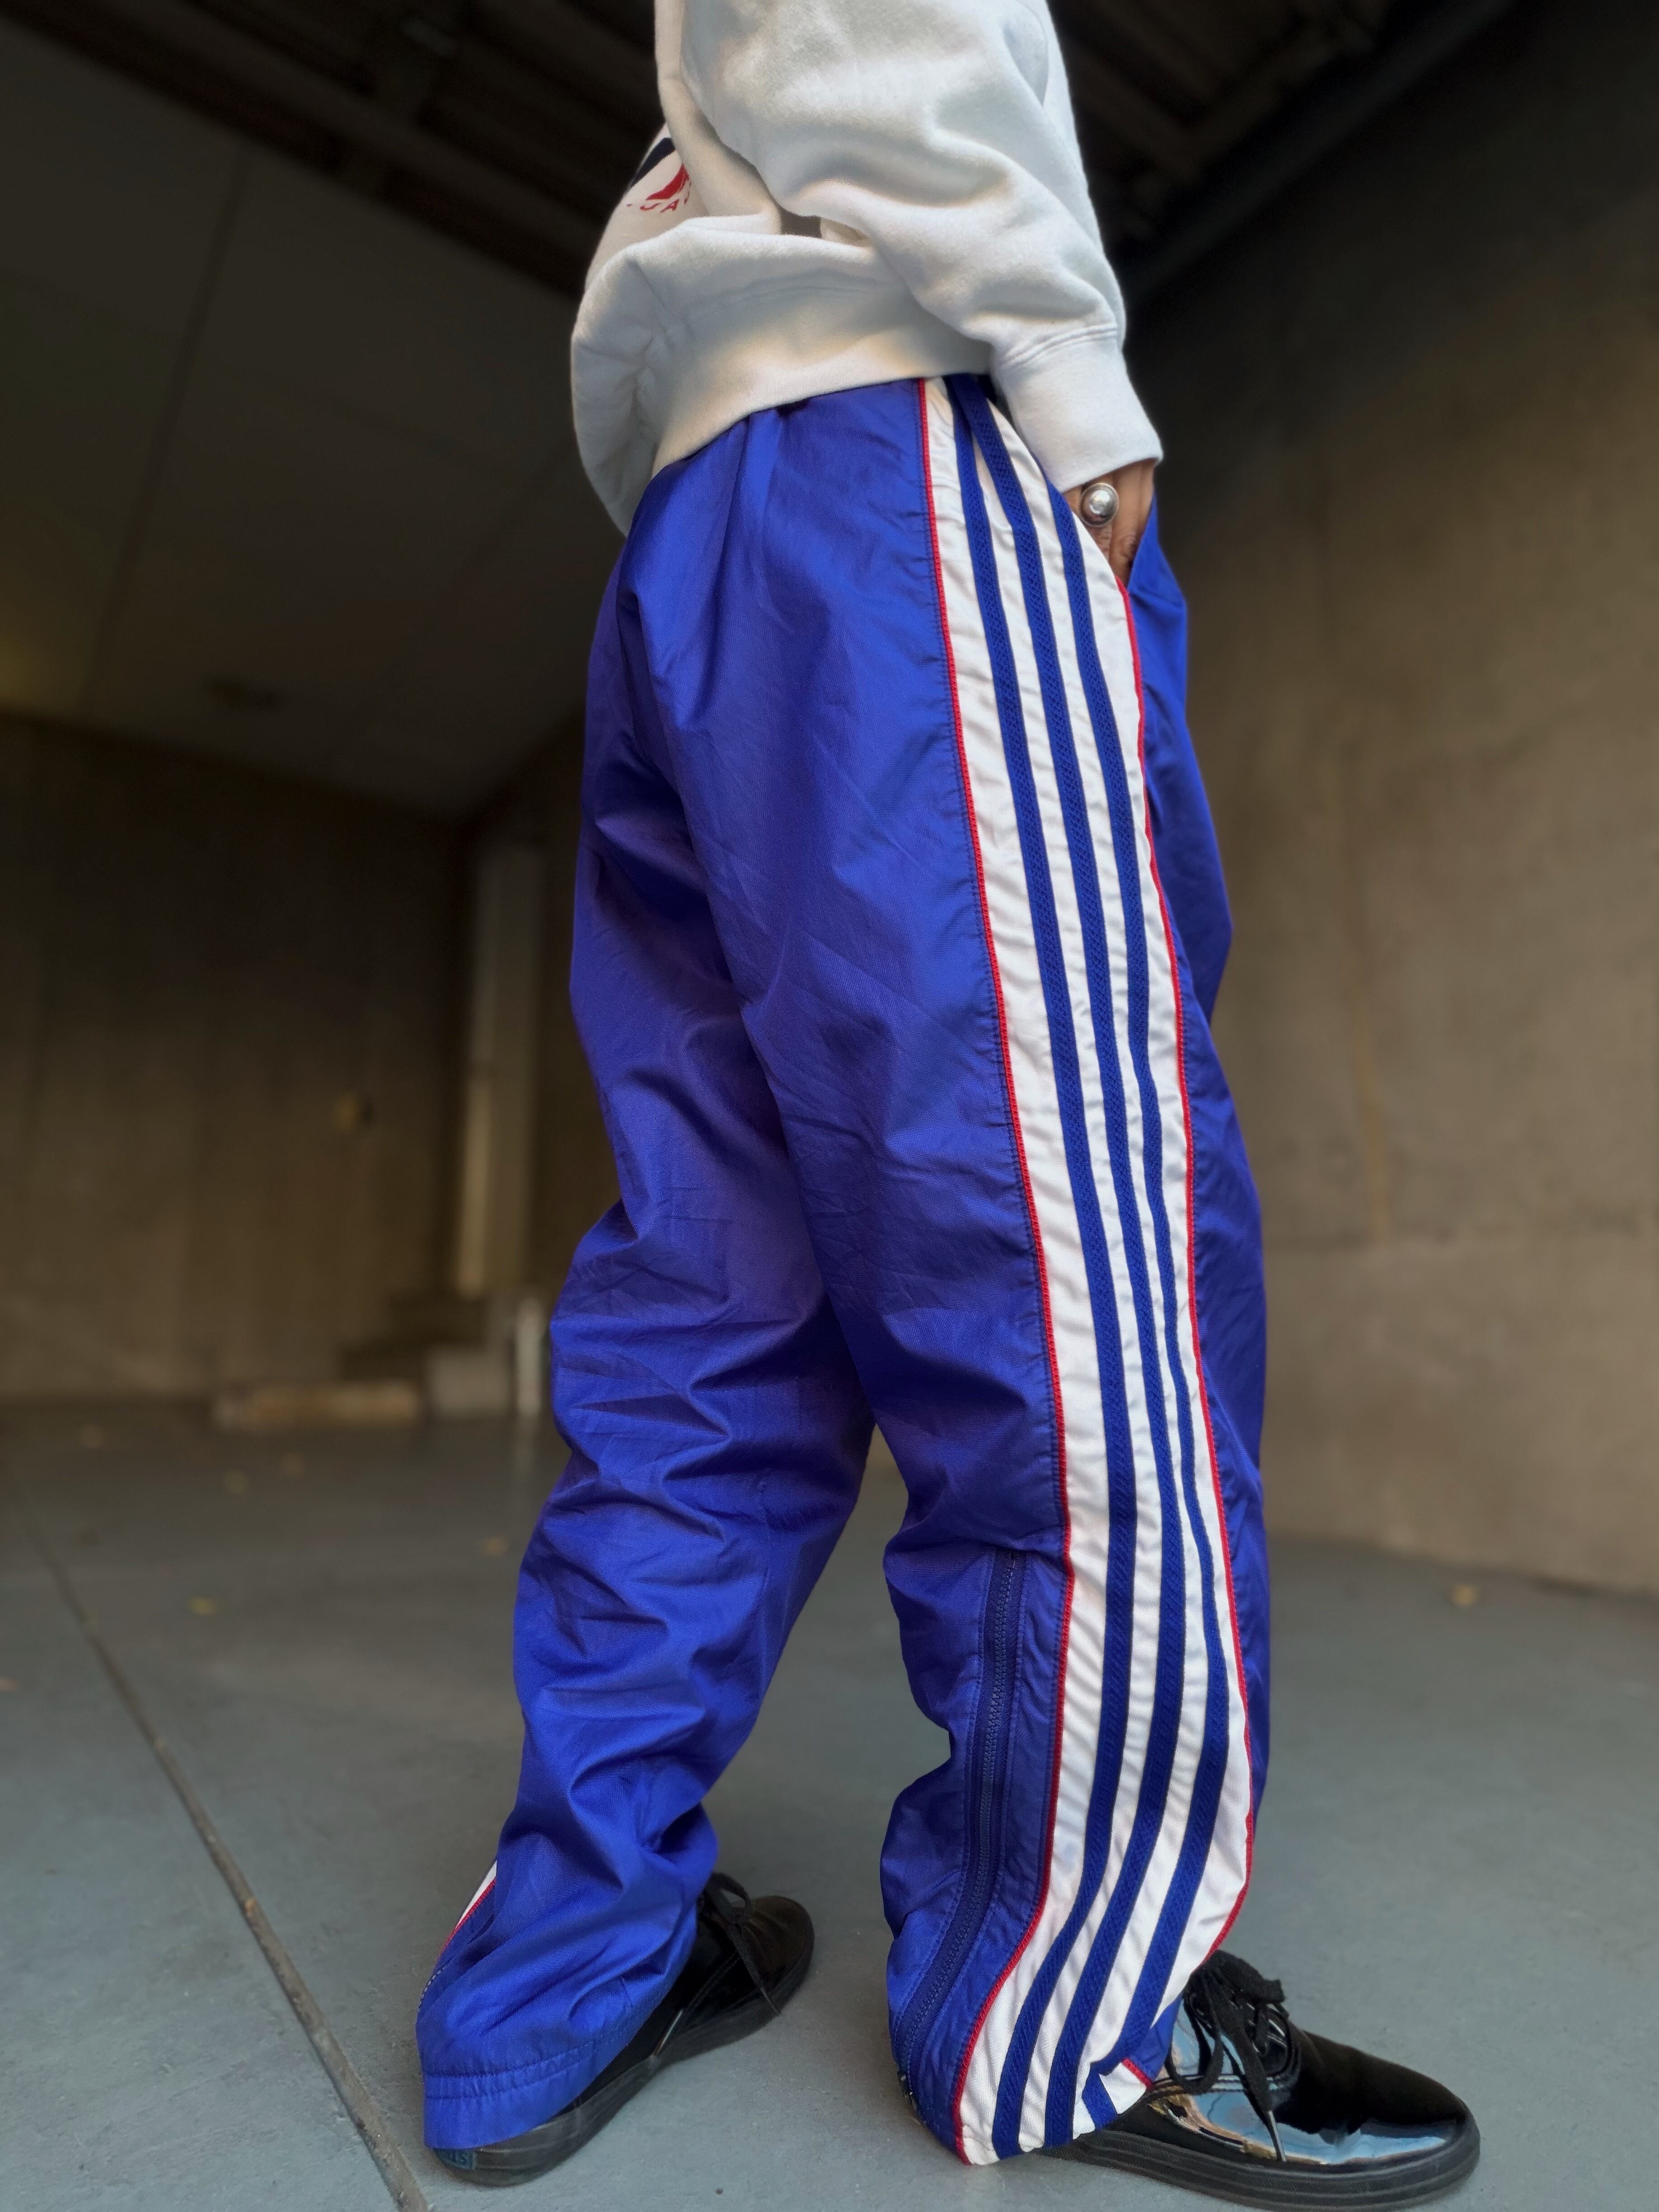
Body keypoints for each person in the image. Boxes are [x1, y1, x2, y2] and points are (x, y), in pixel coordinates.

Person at [417, 3, 1480, 2200]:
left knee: (713, 1313)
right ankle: (1078, 2013)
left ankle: (559, 1976)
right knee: (1072, 1278)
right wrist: (1067, 370)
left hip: (699, 530)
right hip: (903, 457)